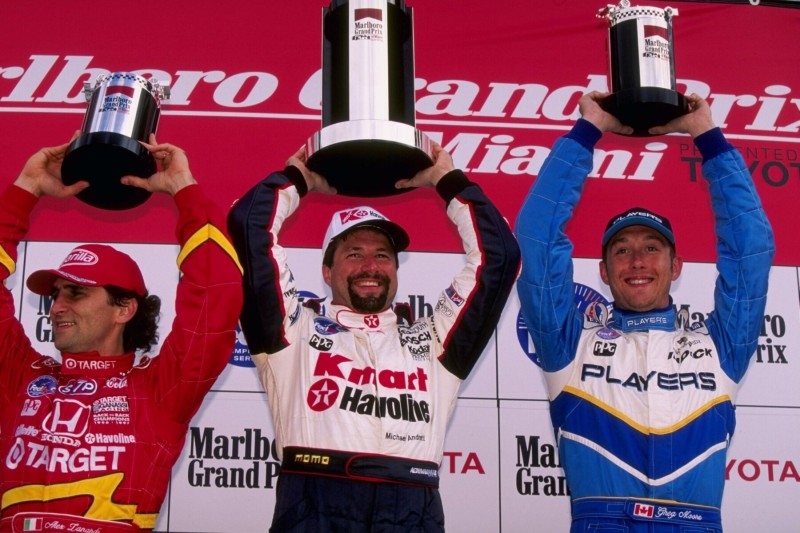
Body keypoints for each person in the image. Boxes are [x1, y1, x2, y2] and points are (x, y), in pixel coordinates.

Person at [515, 91, 774, 532]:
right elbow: (536, 238)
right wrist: (586, 130)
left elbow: (750, 249)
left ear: (675, 267)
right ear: (603, 270)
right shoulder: (569, 345)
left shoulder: (720, 347)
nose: (637, 261)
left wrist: (707, 137)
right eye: (622, 250)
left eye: (651, 248)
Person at [227, 143, 520, 532]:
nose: (371, 266)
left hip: (413, 507)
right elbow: (249, 225)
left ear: (397, 270)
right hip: (316, 502)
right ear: (327, 272)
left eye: (383, 255)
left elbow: (499, 255)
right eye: (354, 253)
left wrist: (446, 182)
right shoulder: (292, 332)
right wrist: (298, 179)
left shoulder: (433, 342)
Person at [0, 136, 243, 532]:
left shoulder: (161, 391)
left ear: (124, 309)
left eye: (76, 293)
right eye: (56, 294)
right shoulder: (21, 378)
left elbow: (217, 293)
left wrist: (184, 189)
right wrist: (25, 189)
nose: (58, 306)